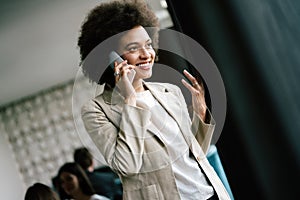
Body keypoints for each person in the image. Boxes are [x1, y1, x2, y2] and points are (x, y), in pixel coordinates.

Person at [78, 0, 231, 199]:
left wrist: (200, 112)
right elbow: (127, 165)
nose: (146, 54)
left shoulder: (170, 92)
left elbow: (196, 152)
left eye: (148, 45)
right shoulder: (97, 110)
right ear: (111, 57)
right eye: (134, 48)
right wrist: (130, 99)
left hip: (209, 194)